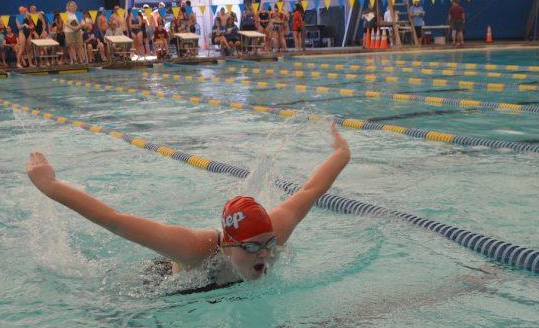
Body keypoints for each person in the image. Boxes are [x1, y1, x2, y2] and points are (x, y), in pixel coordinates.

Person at [26, 124, 351, 290]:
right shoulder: (195, 249)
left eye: (267, 244)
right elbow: (115, 221)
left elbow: (312, 189)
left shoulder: (272, 233)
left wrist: (342, 152)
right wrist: (49, 185)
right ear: (228, 244)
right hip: (168, 282)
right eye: (253, 247)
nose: (265, 254)